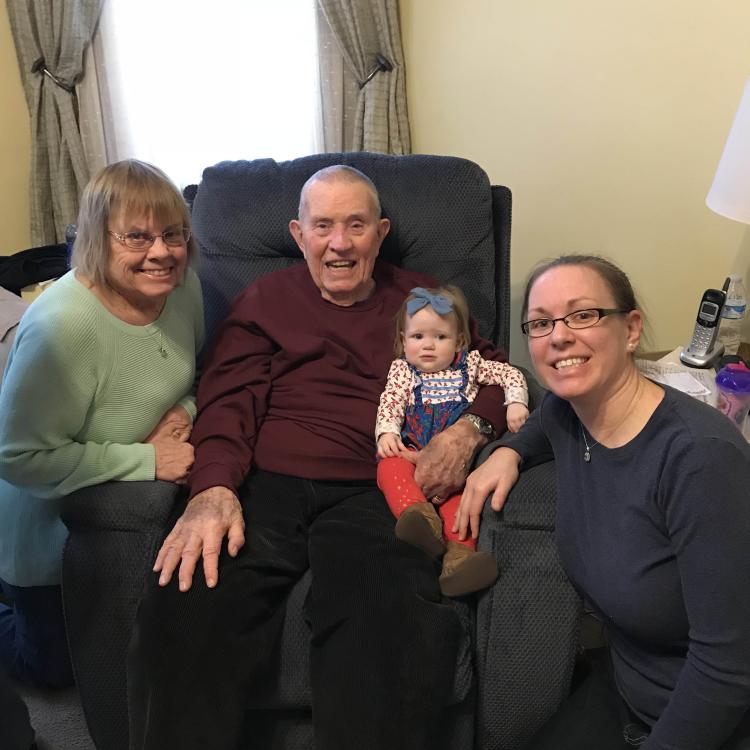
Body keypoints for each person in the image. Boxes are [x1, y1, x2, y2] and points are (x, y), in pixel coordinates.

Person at [127, 165, 512, 750]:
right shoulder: (264, 299)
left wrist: (468, 428)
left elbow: (494, 372)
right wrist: (213, 489)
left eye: (356, 225)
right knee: (188, 601)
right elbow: (229, 400)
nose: (339, 242)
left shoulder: (421, 299)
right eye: (323, 225)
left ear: (380, 233)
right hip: (266, 482)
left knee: (392, 623)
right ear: (298, 233)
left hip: (380, 488)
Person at [456, 255, 750, 749]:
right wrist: (506, 451)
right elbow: (541, 423)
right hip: (624, 694)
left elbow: (729, 667)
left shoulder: (700, 460)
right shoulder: (570, 414)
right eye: (541, 322)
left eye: (583, 315)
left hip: (703, 722)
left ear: (631, 329)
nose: (560, 336)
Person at [0, 159, 203, 688]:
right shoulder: (62, 327)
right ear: (97, 238)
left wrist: (184, 411)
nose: (161, 251)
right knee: (53, 672)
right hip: (43, 528)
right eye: (136, 237)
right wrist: (148, 459)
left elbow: (202, 373)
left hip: (111, 514)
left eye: (173, 234)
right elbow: (18, 458)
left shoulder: (184, 288)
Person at [375, 284, 528, 596]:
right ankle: (418, 518)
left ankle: (459, 562)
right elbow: (390, 401)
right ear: (404, 341)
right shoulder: (403, 371)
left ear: (459, 340)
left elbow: (509, 374)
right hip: (412, 456)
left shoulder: (470, 365)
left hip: (459, 471)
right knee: (388, 468)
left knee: (463, 508)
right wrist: (387, 431)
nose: (428, 346)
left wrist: (516, 402)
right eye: (418, 337)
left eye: (440, 337)